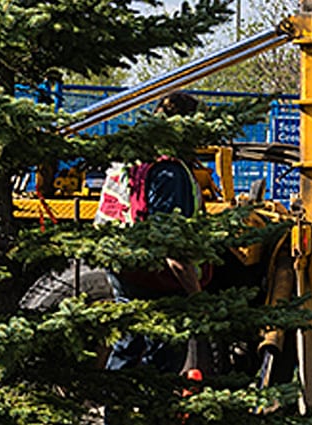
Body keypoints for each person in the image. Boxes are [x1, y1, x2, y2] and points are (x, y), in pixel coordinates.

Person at [100, 92, 212, 375]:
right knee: (163, 357)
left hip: (124, 270)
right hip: (159, 282)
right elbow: (174, 251)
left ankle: (116, 411)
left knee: (127, 345)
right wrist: (197, 297)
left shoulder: (130, 161)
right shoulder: (170, 173)